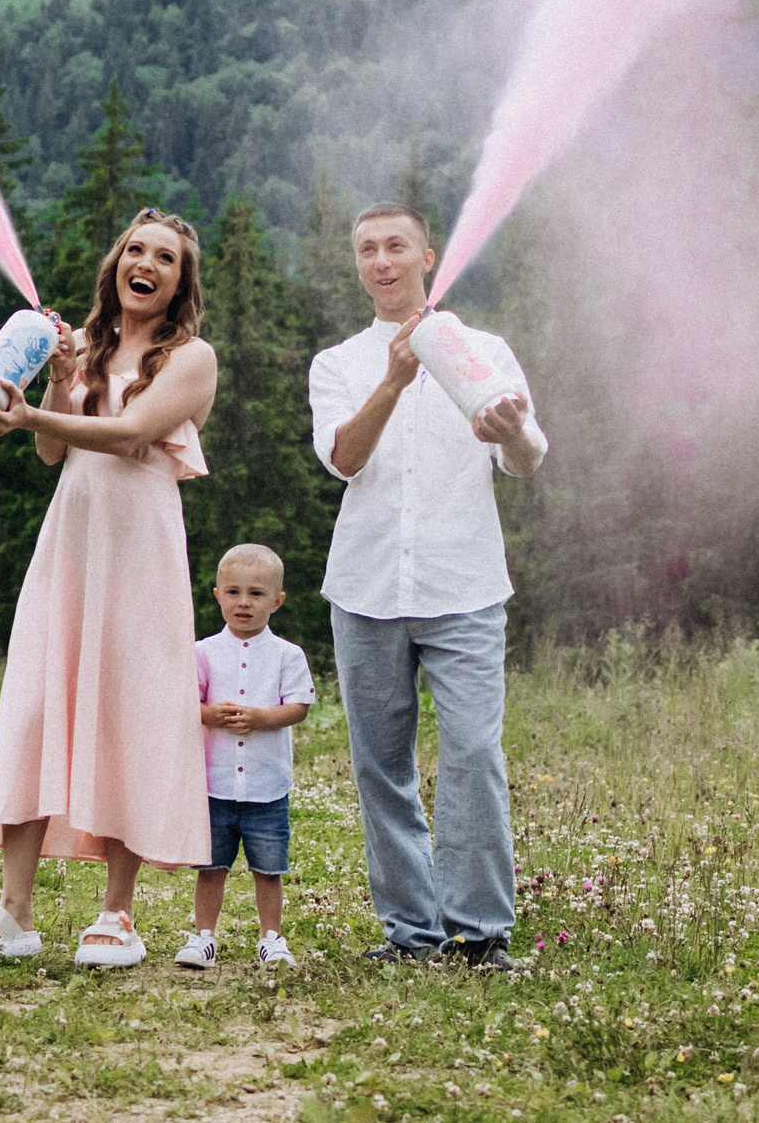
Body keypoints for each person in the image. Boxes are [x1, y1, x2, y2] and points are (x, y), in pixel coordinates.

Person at [0, 209, 218, 968]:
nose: (147, 264)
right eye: (136, 250)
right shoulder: (90, 348)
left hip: (141, 553)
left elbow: (131, 435)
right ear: (116, 265)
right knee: (36, 705)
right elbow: (51, 451)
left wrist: (29, 410)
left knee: (129, 711)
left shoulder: (193, 359)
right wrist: (62, 382)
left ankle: (117, 914)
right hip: (70, 544)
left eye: (165, 258)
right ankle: (15, 912)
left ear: (180, 284)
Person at [307, 202, 545, 969]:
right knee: (381, 767)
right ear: (358, 264)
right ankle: (412, 934)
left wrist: (513, 433)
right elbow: (343, 458)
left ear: (427, 257)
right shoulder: (338, 364)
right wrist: (393, 381)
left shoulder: (484, 352)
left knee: (473, 752)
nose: (381, 261)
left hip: (464, 587)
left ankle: (479, 934)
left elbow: (527, 457)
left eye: (396, 246)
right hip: (365, 588)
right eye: (367, 249)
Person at [173, 544, 314, 972]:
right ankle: (204, 937)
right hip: (215, 784)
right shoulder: (202, 651)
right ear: (218, 595)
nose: (244, 603)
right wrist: (208, 714)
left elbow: (299, 706)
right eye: (233, 592)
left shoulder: (288, 654)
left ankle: (271, 938)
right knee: (211, 866)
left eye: (256, 593)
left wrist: (262, 718)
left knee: (268, 869)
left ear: (277, 601)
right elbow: (185, 701)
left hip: (266, 787)